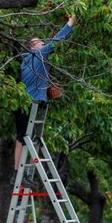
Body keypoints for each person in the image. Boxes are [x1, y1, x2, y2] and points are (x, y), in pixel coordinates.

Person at [14, 14, 76, 188]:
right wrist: (70, 23)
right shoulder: (38, 55)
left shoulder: (28, 59)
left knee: (35, 138)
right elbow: (57, 41)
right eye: (40, 42)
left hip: (35, 102)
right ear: (33, 47)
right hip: (28, 103)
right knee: (22, 138)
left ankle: (26, 173)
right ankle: (17, 174)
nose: (43, 43)